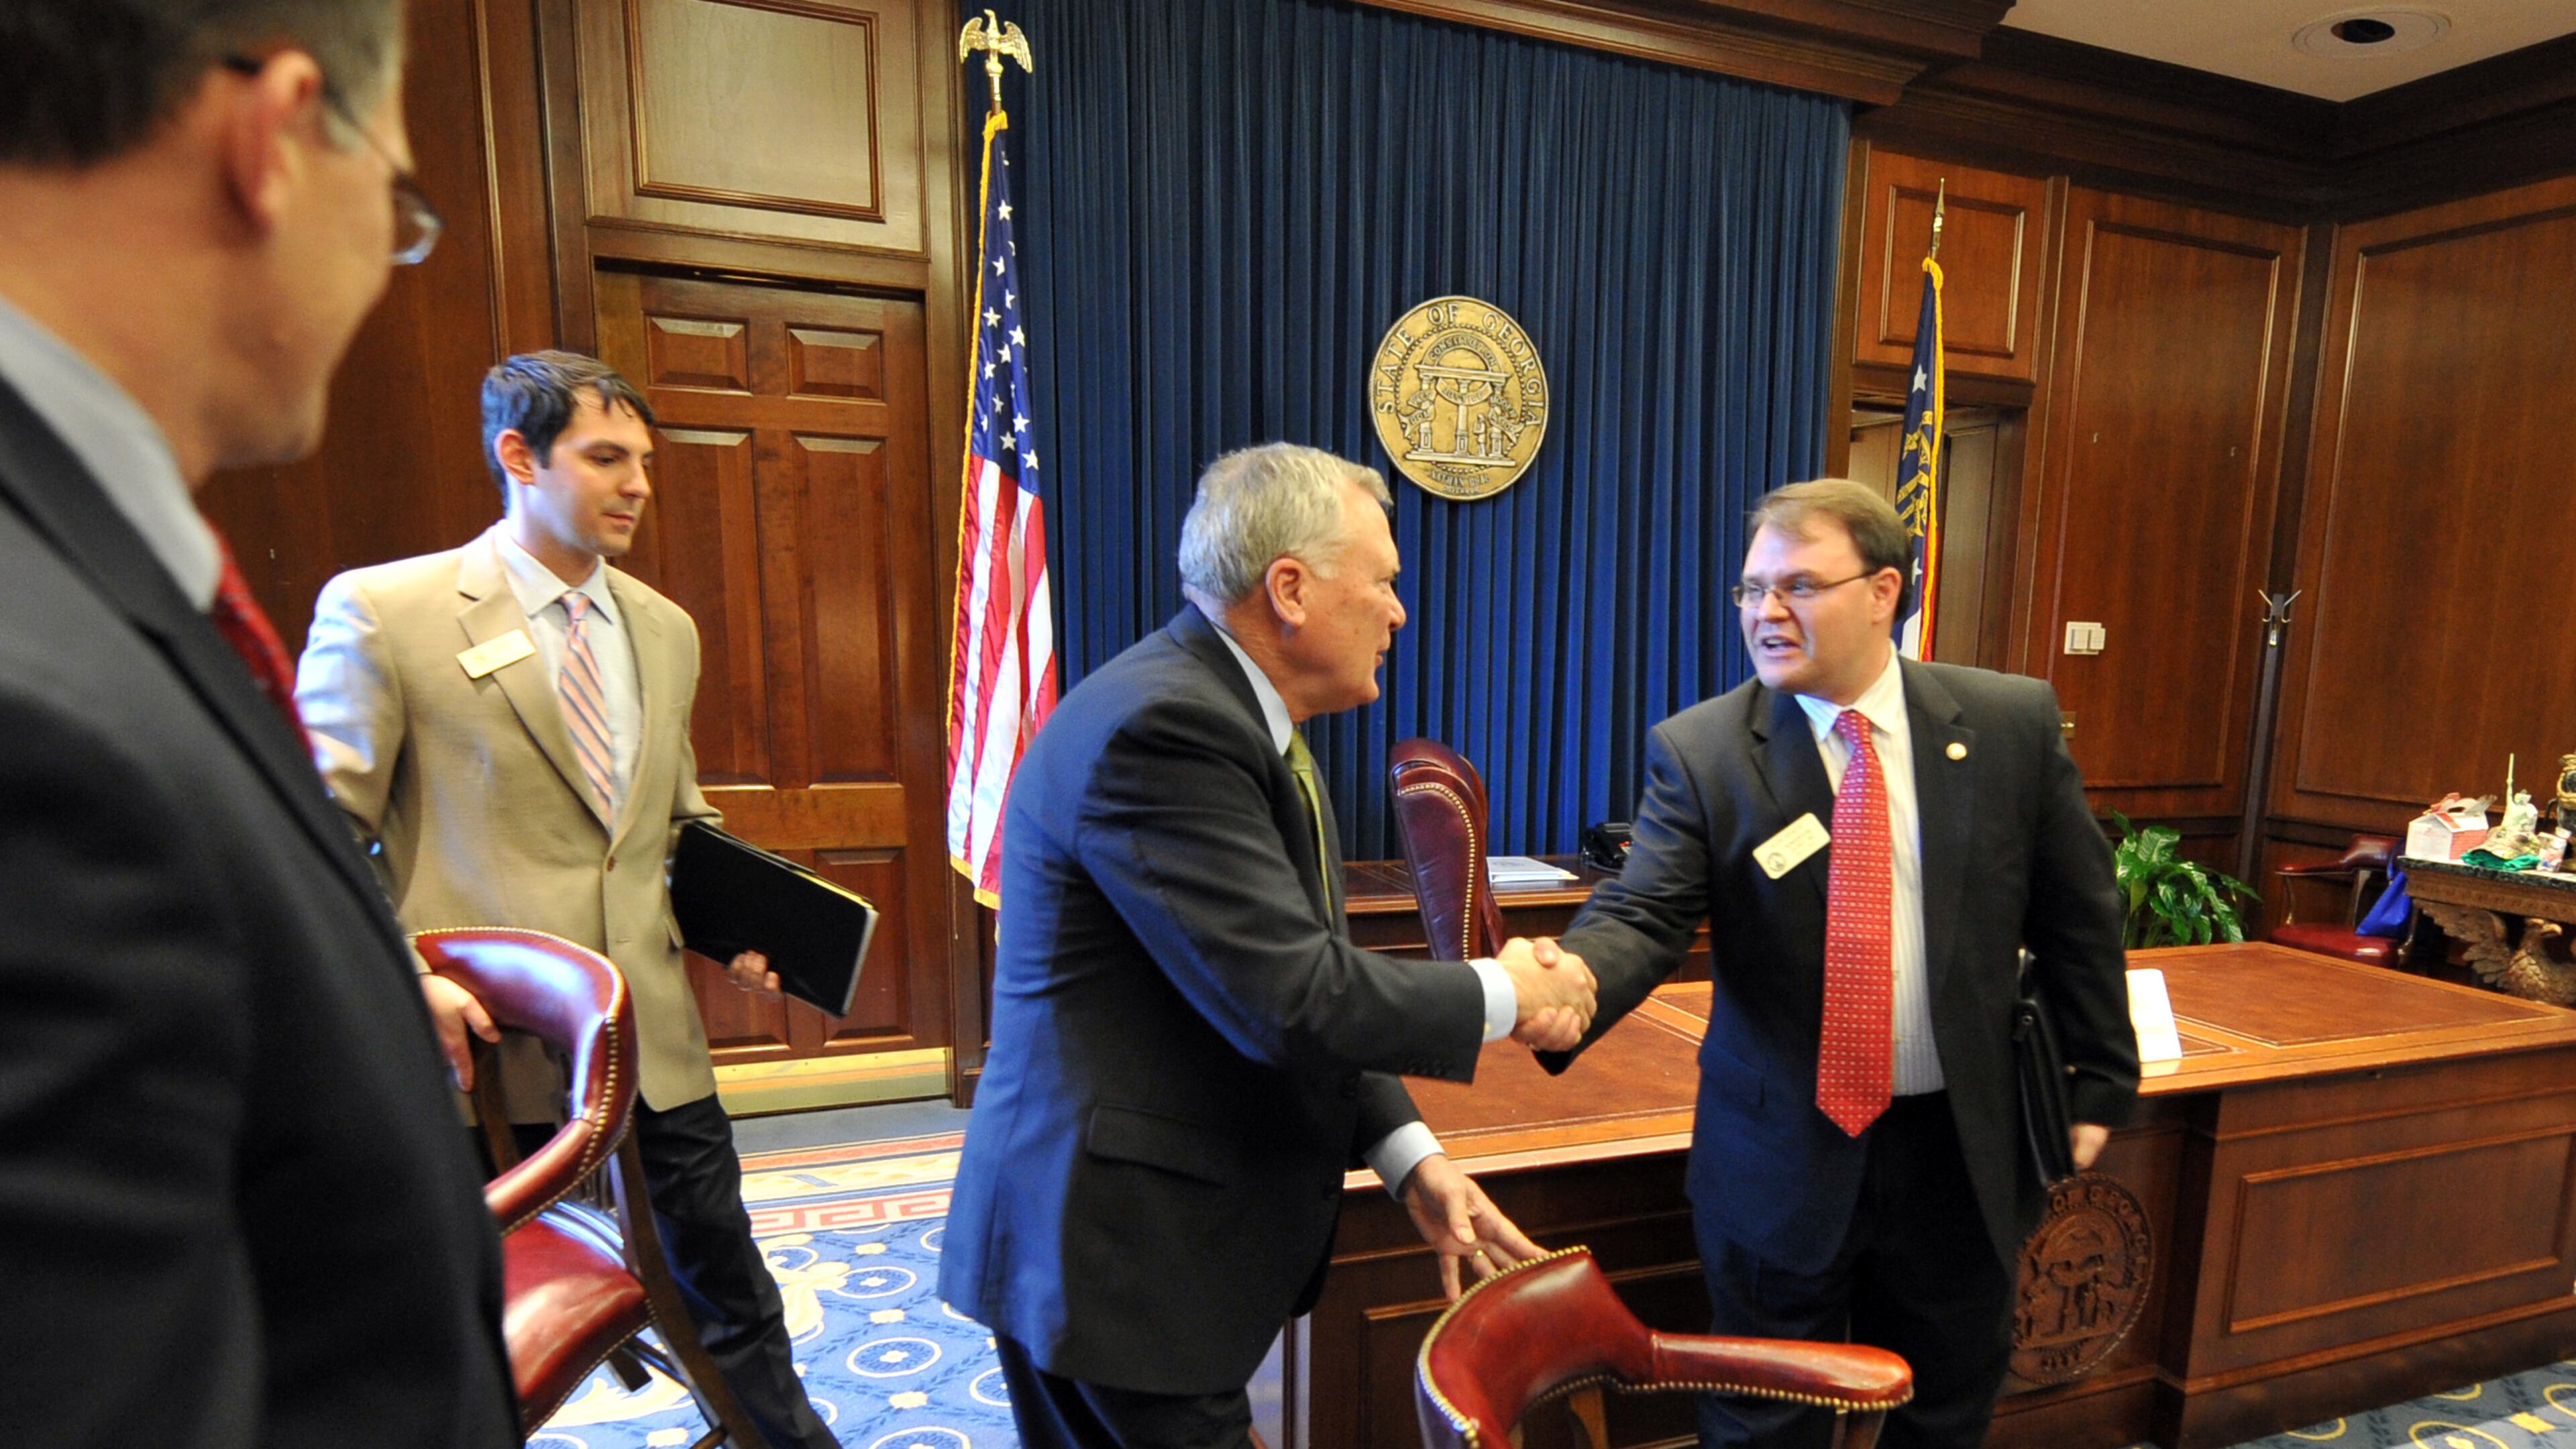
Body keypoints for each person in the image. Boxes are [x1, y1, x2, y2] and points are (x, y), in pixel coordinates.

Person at [0, 3, 518, 1444]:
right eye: (403, 203)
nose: (387, 265)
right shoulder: (38, 736)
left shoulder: (85, 562)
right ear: (278, 135)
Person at [942, 442, 1598, 1449]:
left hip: (1137, 1251)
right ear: (1288, 588)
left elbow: (1284, 972)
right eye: (1382, 583)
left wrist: (1409, 1157)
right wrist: (1504, 991)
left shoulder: (1243, 718)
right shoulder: (1169, 729)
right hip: (1113, 1258)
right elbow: (1293, 1000)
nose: (1398, 613)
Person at [293, 350, 838, 1449]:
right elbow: (306, 833)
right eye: (605, 459)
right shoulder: (386, 613)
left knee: (731, 1293)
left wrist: (744, 928)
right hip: (482, 1056)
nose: (638, 484)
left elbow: (674, 824)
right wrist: (406, 979)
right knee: (465, 1344)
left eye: (644, 461)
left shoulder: (664, 627)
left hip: (654, 1044)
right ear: (516, 457)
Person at [1547, 479, 2139, 1448]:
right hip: (1781, 1154)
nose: (1765, 614)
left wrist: (2102, 1083)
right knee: (1763, 1425)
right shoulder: (1703, 753)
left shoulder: (2010, 726)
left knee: (1944, 1411)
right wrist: (1573, 985)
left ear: (1883, 592)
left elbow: (2082, 916)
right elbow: (1643, 913)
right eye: (1750, 590)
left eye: (1799, 587)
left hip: (1958, 1149)